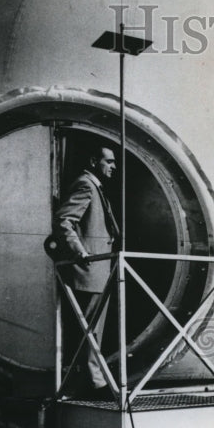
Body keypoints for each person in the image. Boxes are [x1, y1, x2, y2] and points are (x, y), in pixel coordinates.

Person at [53, 145, 119, 399]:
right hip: (91, 270)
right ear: (94, 161)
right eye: (109, 161)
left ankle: (93, 379)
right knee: (90, 328)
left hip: (99, 270)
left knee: (93, 328)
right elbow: (64, 220)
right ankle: (95, 383)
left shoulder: (93, 185)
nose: (113, 167)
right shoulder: (85, 185)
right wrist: (80, 252)